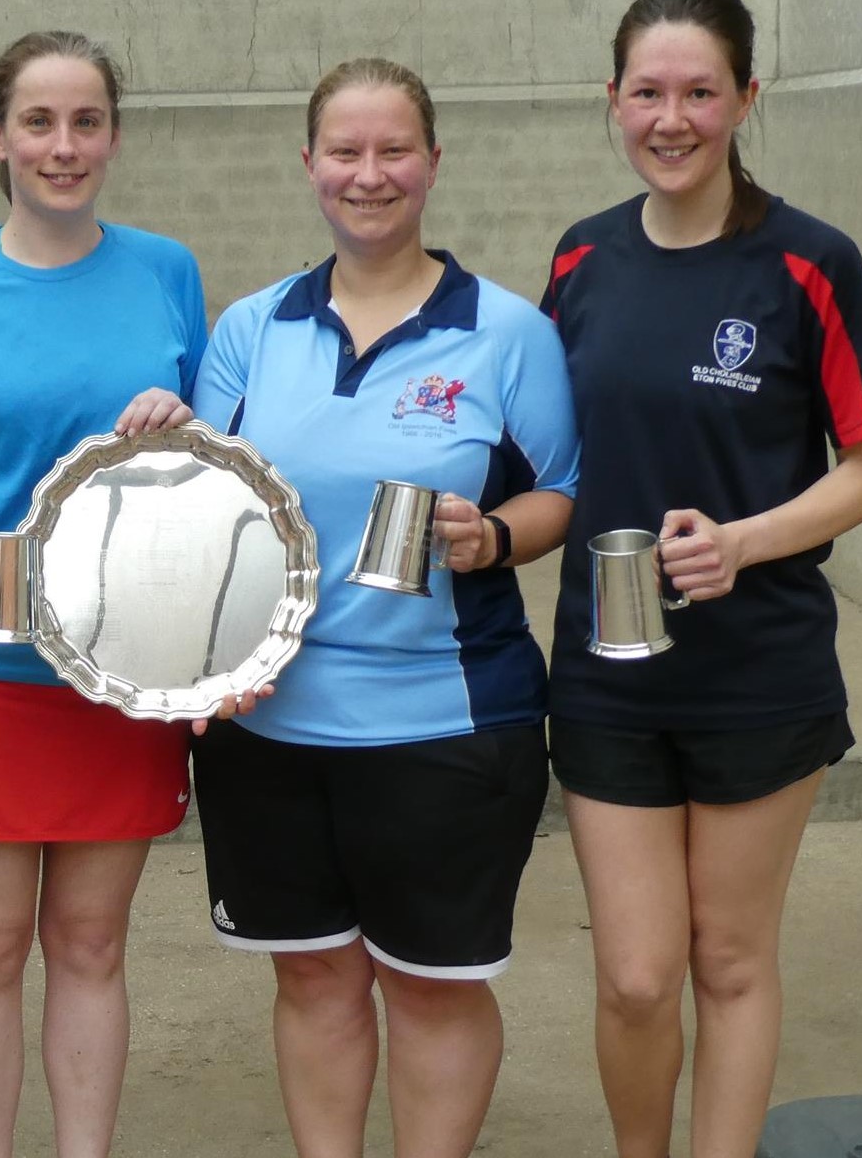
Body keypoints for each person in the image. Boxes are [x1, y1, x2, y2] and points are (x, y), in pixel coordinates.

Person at [189, 57, 580, 1158]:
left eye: (393, 150)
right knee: (313, 977)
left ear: (434, 163)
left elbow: (563, 489)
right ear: (309, 164)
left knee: (433, 990)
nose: (370, 175)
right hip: (266, 727)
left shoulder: (508, 334)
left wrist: (494, 535)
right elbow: (211, 507)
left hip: (445, 726)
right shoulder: (252, 328)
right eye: (346, 152)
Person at [540, 0, 862, 1158]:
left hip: (760, 671)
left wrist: (745, 541)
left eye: (701, 91)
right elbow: (547, 453)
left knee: (730, 959)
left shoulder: (810, 264)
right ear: (612, 100)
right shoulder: (581, 258)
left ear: (748, 97)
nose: (672, 118)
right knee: (639, 978)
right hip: (607, 671)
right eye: (647, 92)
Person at [0, 30, 208, 1158]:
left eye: (85, 123)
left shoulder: (168, 271)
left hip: (123, 669)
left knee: (92, 946)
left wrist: (184, 427)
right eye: (38, 123)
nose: (63, 147)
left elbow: (200, 475)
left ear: (112, 135)